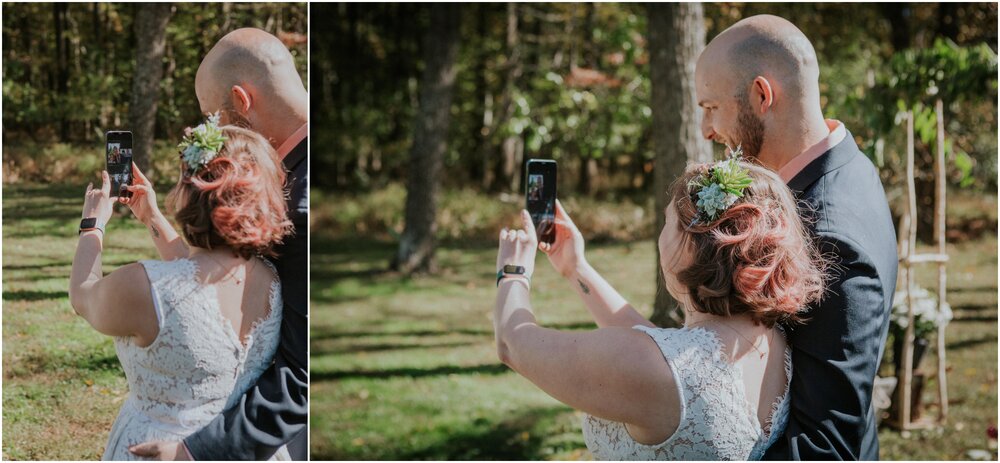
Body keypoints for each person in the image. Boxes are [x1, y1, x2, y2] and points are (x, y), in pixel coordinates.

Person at [494, 159, 828, 460]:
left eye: (667, 221)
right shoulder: (770, 342)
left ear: (692, 245)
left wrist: (513, 272)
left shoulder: (658, 371)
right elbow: (664, 357)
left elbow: (513, 344)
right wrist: (575, 268)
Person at [694, 15, 899, 460]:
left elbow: (825, 446)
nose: (708, 131)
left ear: (761, 96)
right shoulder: (848, 163)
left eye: (710, 107)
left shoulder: (830, 236)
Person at [128, 28, 309, 460]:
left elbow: (301, 371)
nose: (214, 133)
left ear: (241, 101)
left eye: (214, 115)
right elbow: (219, 277)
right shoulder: (284, 174)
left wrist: (198, 452)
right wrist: (153, 217)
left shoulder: (301, 206)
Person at [69, 120, 292, 460]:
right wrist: (151, 217)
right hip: (238, 449)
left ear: (191, 193)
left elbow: (83, 297)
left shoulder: (143, 285)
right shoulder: (274, 281)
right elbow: (199, 275)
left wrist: (93, 226)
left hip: (160, 449)